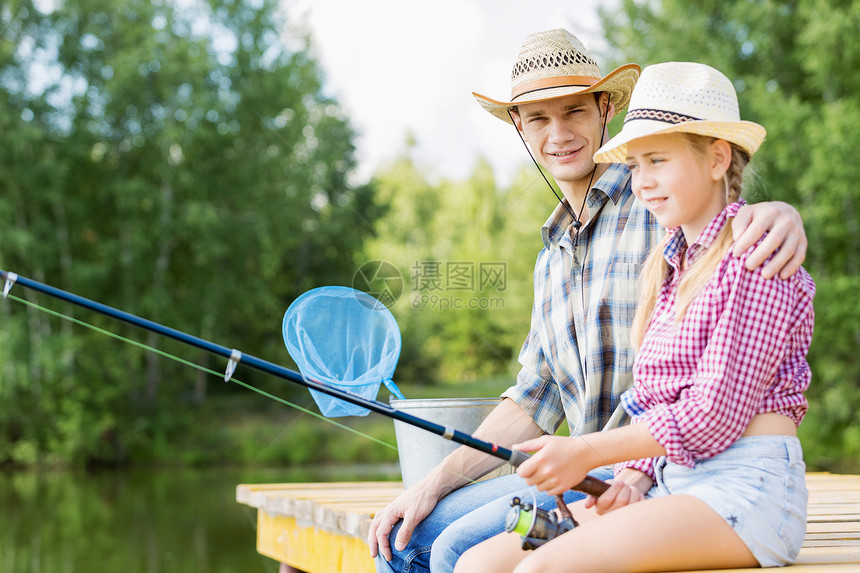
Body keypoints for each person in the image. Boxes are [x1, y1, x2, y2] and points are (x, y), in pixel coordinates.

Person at [368, 29, 808, 573]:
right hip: (600, 474)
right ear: (520, 130)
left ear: (606, 110)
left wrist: (779, 212)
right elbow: (535, 396)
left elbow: (728, 216)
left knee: (452, 549)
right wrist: (430, 484)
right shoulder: (551, 256)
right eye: (537, 119)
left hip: (639, 471)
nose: (558, 134)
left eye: (574, 111)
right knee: (408, 535)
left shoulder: (659, 207)